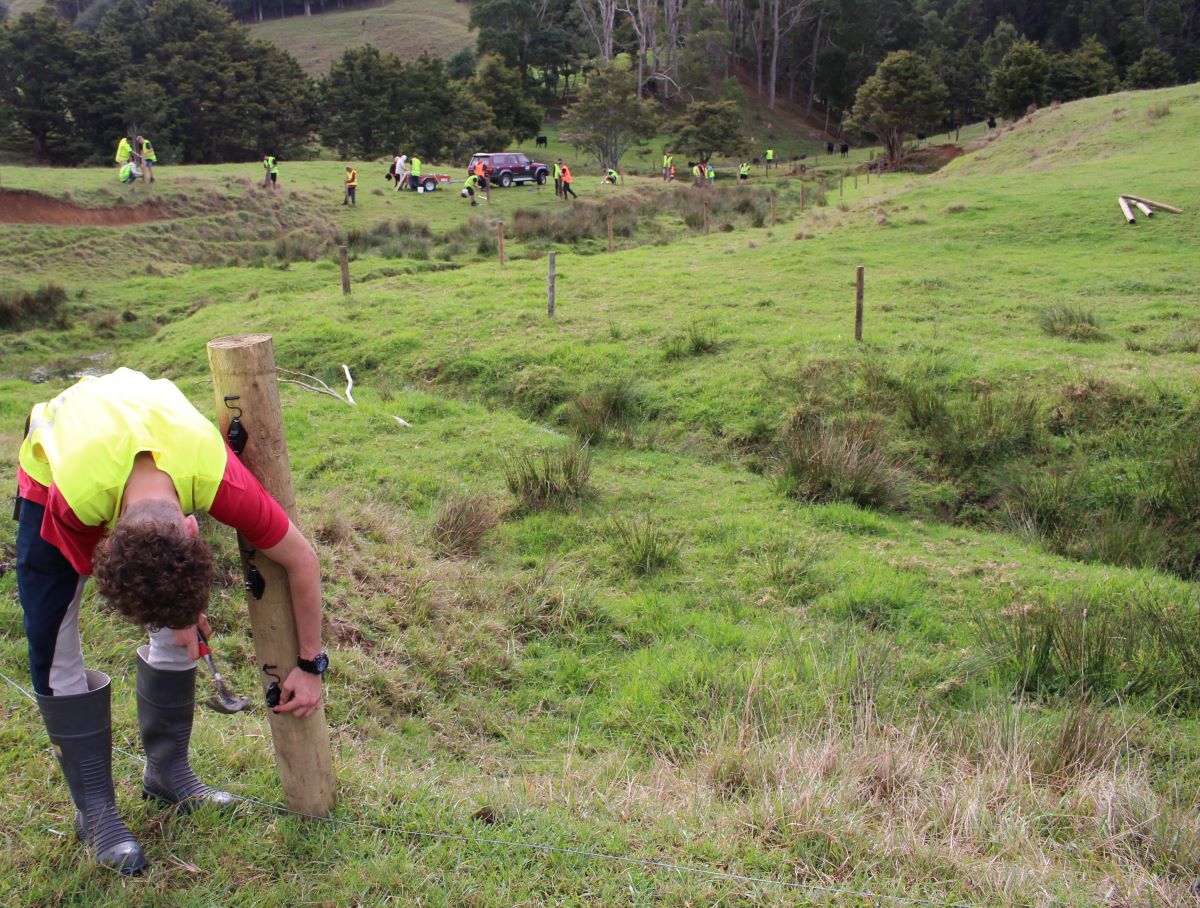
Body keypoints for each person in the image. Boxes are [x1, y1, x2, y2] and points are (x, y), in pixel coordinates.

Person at [14, 369, 326, 875]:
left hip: (144, 434)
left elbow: (302, 560)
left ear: (193, 526)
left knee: (169, 601)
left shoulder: (213, 470)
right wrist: (173, 613)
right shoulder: (76, 497)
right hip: (55, 472)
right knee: (55, 640)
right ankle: (95, 812)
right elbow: (114, 574)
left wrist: (312, 663)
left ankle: (167, 772)